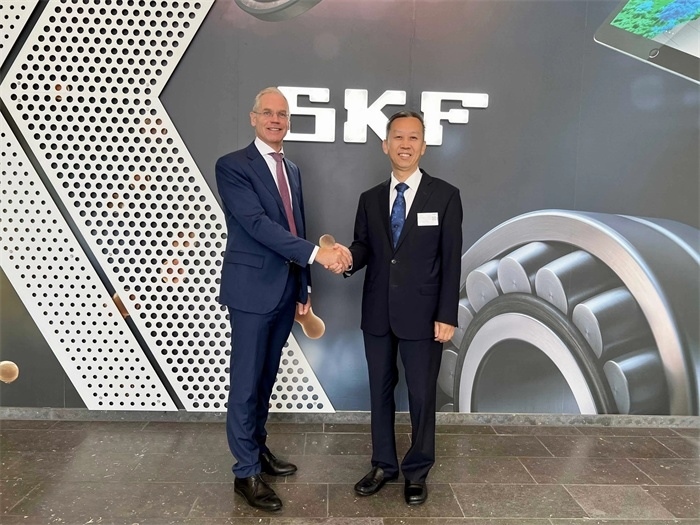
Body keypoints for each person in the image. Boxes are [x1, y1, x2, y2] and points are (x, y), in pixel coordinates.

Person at [215, 87, 351, 512]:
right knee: (245, 382)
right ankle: (245, 472)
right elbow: (257, 224)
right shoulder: (232, 166)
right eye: (268, 113)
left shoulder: (290, 169)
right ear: (253, 118)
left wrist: (304, 285)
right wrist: (318, 255)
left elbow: (296, 225)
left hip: (285, 289)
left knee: (265, 379)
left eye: (282, 114)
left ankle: (258, 450)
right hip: (251, 291)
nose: (275, 120)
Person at [345, 110, 463, 505]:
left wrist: (447, 314)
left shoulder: (445, 196)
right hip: (378, 312)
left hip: (425, 315)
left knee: (422, 394)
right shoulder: (370, 199)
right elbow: (364, 246)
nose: (405, 144)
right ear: (385, 144)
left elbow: (451, 259)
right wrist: (347, 258)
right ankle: (383, 464)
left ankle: (417, 470)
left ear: (423, 146)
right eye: (398, 137)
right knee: (379, 392)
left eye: (413, 138)